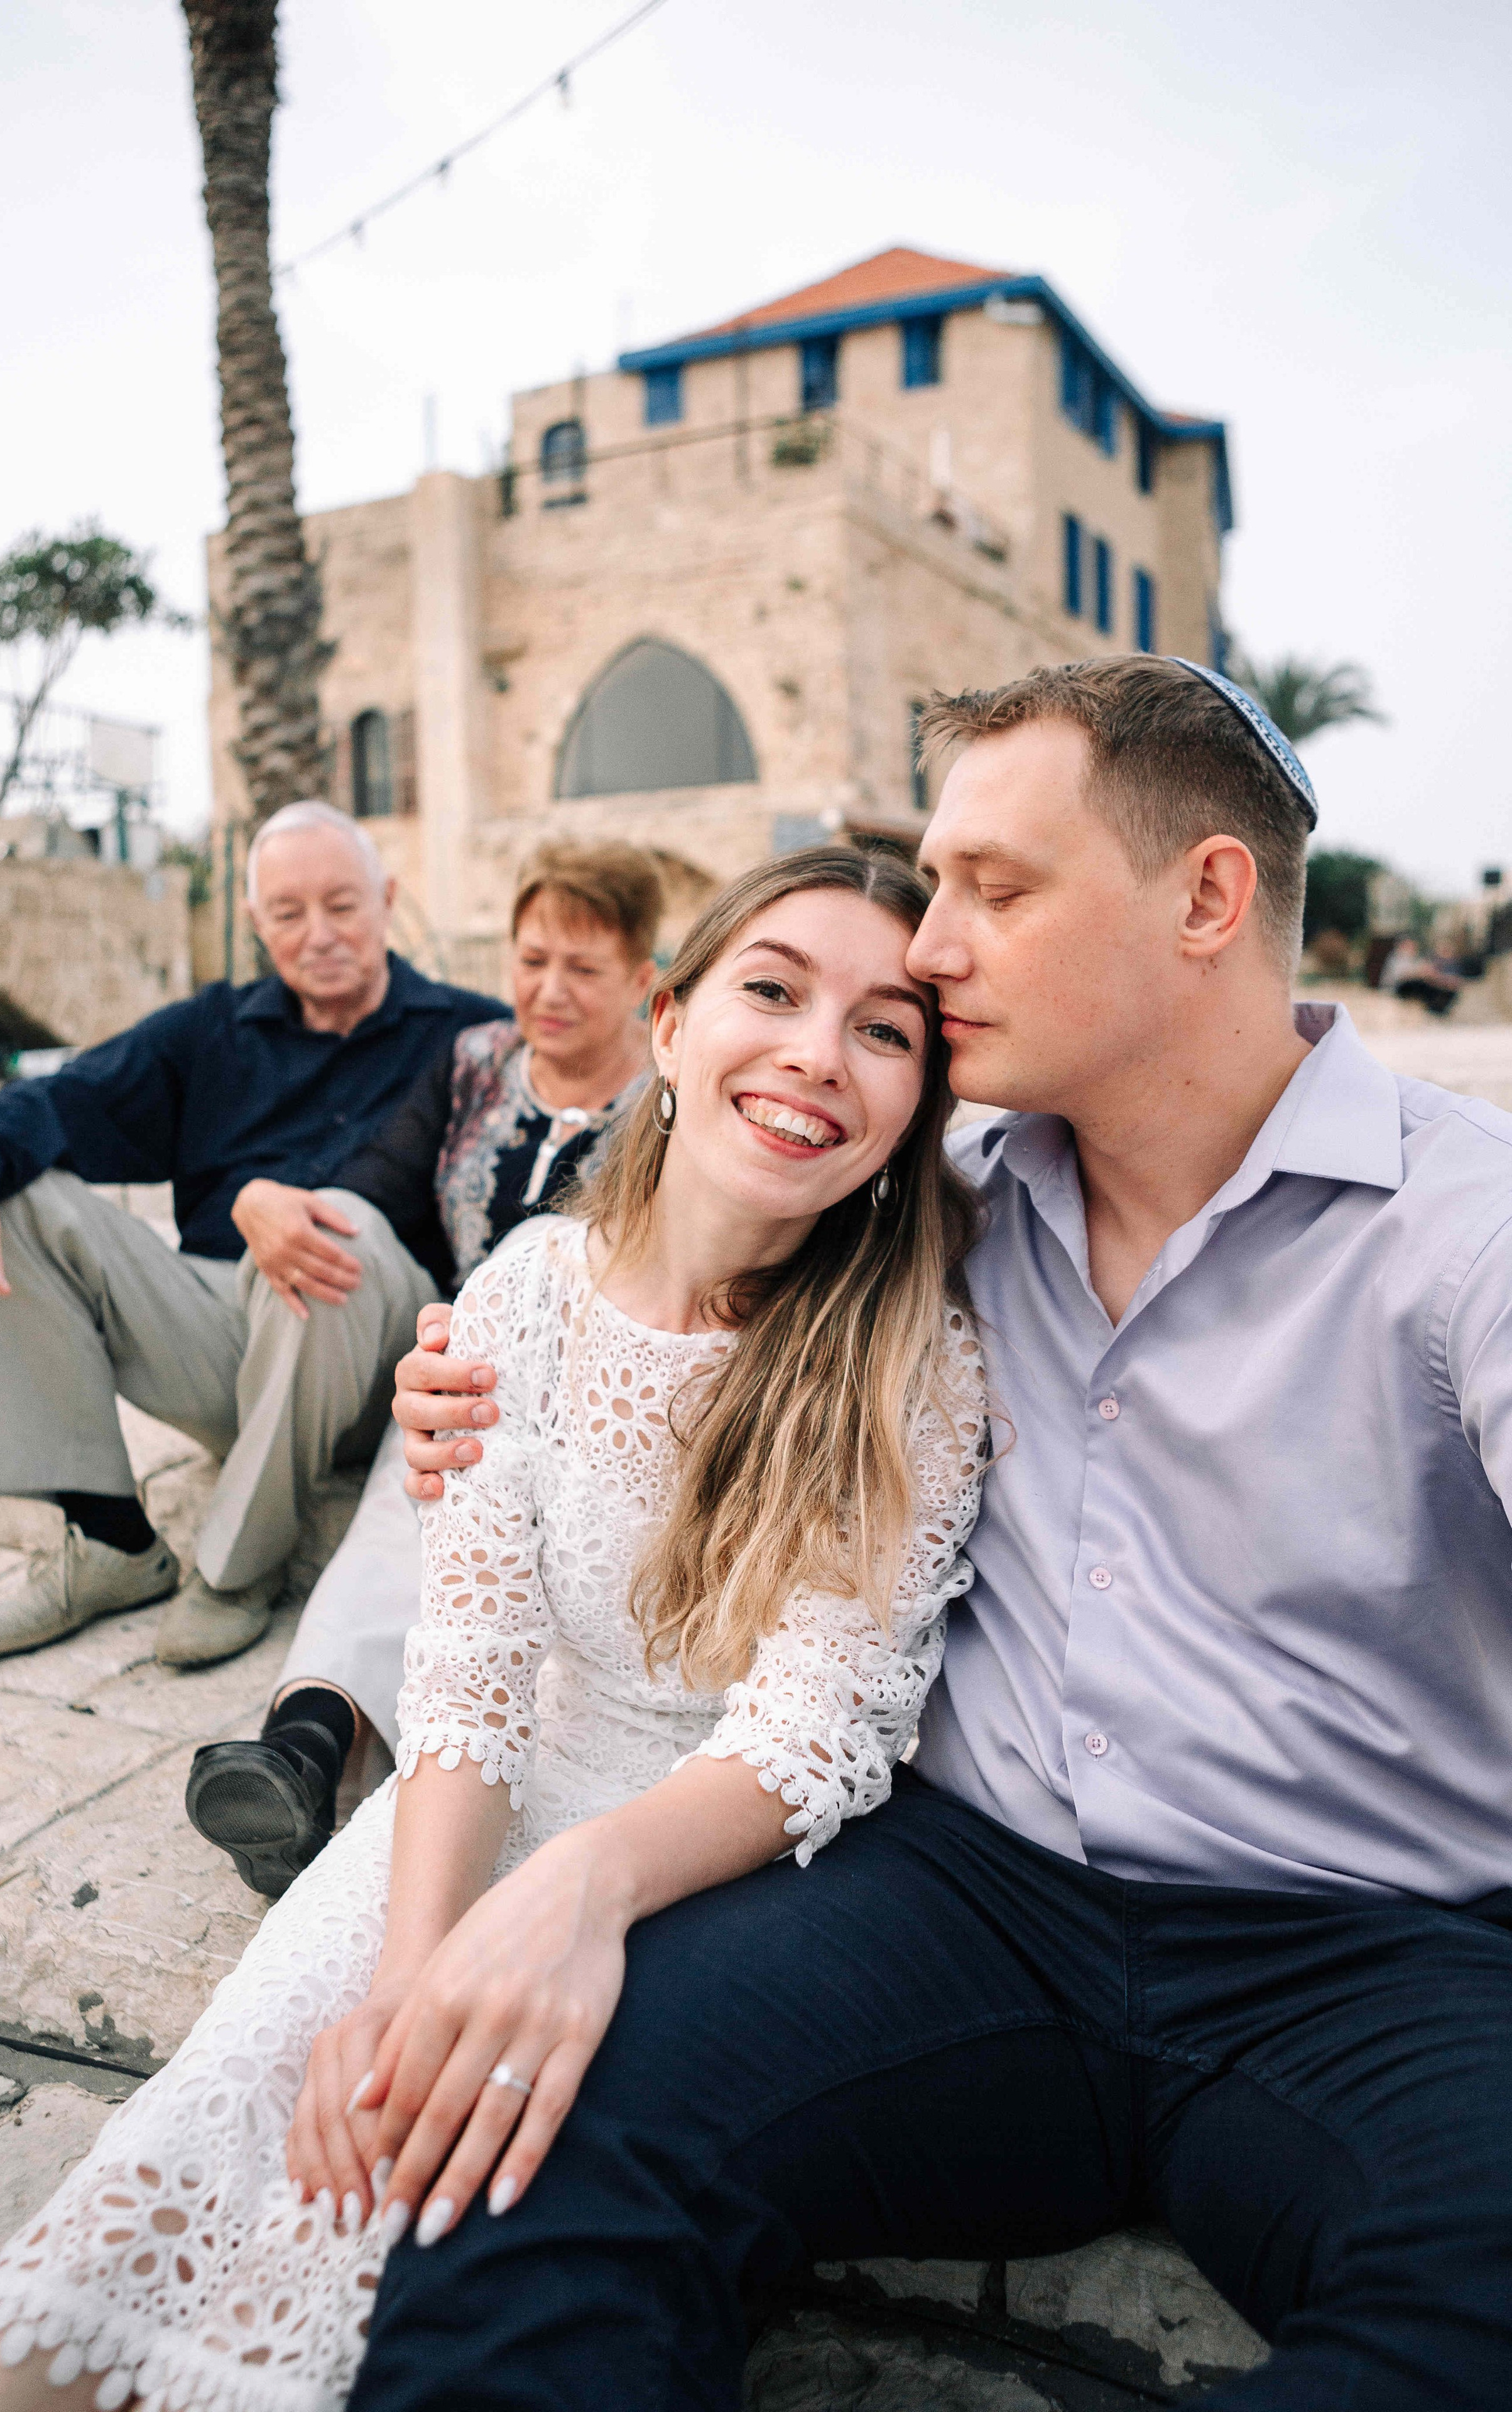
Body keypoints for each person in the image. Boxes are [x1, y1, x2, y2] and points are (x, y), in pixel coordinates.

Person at [368, 656, 1512, 2411]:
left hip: (1369, 1954)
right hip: (965, 1901)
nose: (931, 946)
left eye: (995, 887)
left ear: (1208, 895)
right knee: (533, 2135)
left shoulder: (1469, 1237)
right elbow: (646, 1278)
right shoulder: (940, 1189)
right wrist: (459, 1375)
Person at [0, 847, 987, 2412]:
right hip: (470, 1804)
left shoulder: (906, 1357)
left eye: (885, 1031)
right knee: (8, 2357)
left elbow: (810, 1729)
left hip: (709, 1864)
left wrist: (561, 1911)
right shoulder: (529, 1290)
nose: (820, 1051)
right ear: (670, 1029)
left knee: (406, 2246)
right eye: (772, 990)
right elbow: (472, 1670)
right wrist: (403, 1976)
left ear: (914, 1108)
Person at [0, 800, 506, 1671]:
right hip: (223, 1339)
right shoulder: (211, 1030)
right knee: (22, 1196)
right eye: (289, 913)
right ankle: (108, 1540)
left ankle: (237, 1567)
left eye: (342, 905)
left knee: (339, 1226)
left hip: (380, 1365)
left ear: (387, 898)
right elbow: (61, 1100)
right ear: (257, 923)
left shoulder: (471, 1033)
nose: (320, 934)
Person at [186, 839, 661, 1898]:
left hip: (595, 1382)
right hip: (458, 1364)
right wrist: (268, 1199)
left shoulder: (674, 1099)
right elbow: (380, 1180)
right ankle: (300, 1753)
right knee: (445, 1407)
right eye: (532, 959)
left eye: (583, 969)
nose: (548, 990)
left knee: (457, 1431)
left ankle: (311, 1739)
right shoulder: (476, 1061)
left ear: (644, 982)